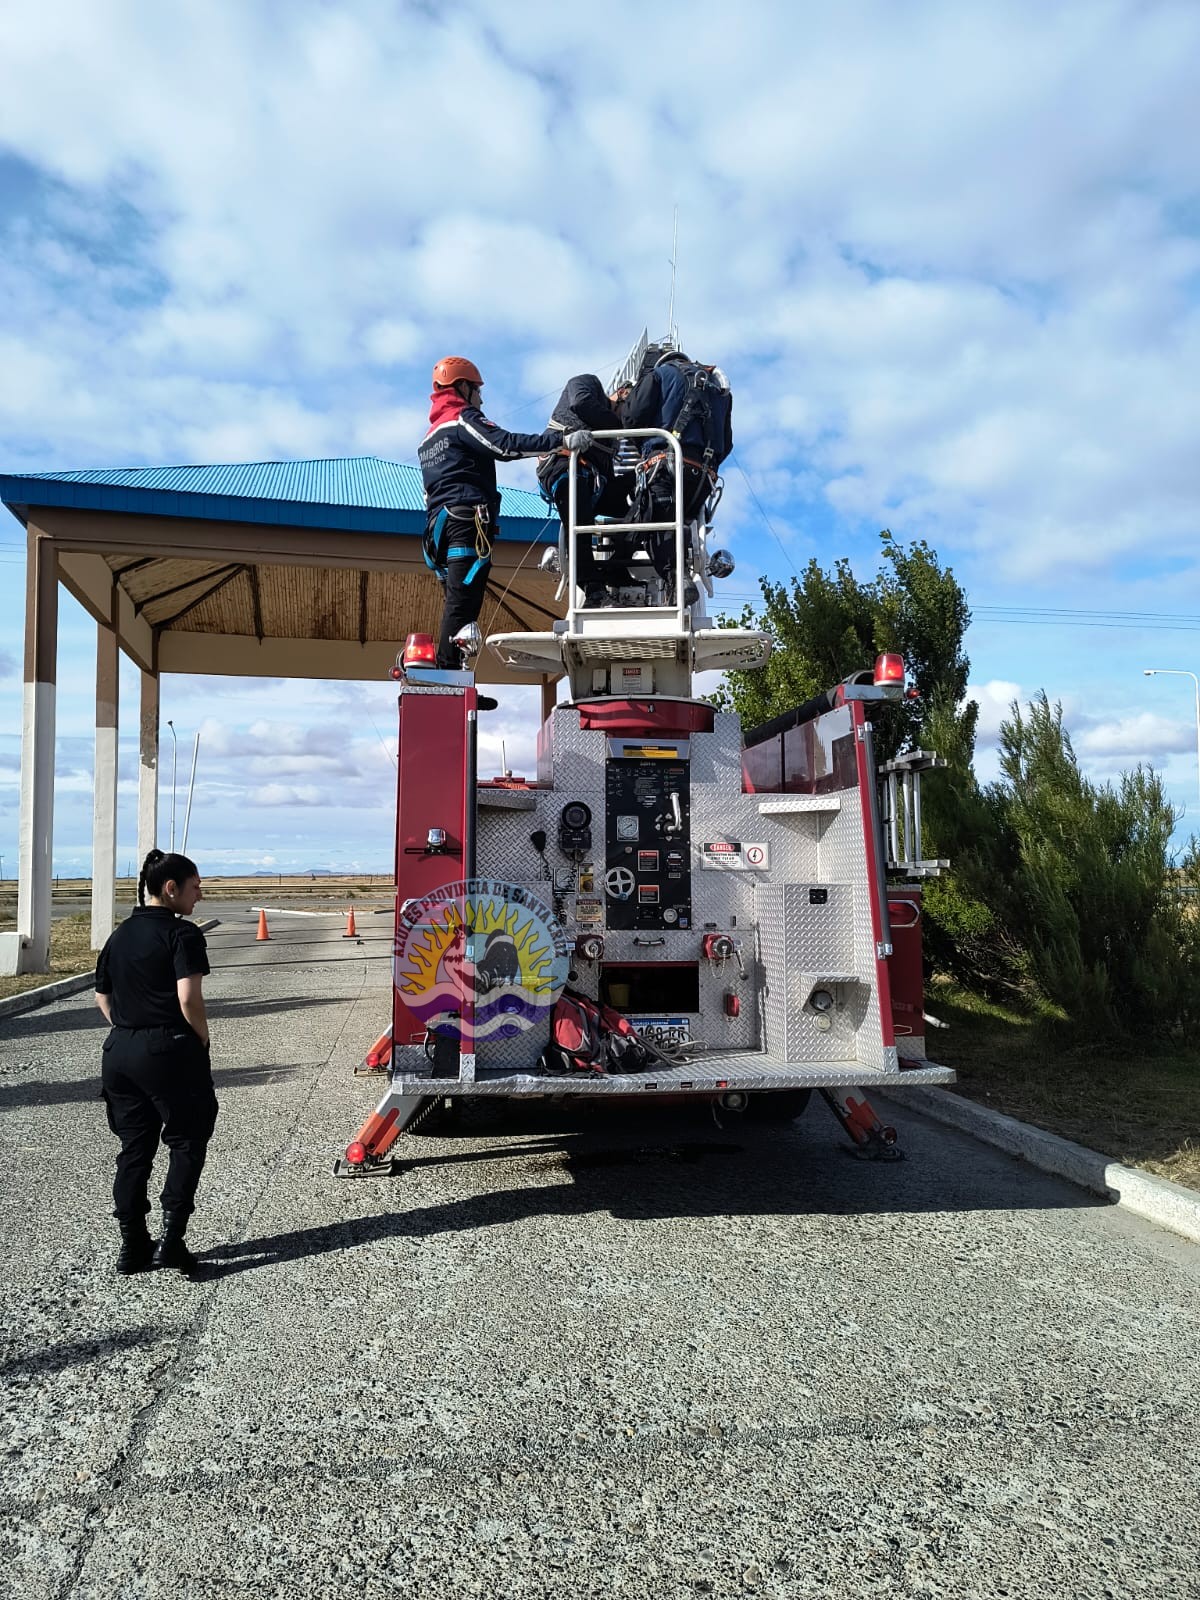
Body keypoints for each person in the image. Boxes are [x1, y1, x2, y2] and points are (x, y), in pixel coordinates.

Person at [418, 356, 592, 666]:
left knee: (458, 601)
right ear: (462, 387)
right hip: (464, 521)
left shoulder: (429, 438)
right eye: (477, 390)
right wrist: (559, 441)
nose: (481, 398)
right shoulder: (461, 419)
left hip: (437, 527)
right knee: (463, 602)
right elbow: (505, 446)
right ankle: (447, 677)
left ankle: (455, 674)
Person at [95, 849, 217, 1277]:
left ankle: (132, 1246)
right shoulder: (183, 935)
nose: (200, 894)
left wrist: (131, 1028)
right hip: (170, 1050)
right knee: (186, 1140)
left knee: (134, 1149)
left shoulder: (119, 935)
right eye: (195, 886)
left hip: (119, 1053)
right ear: (171, 889)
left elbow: (102, 997)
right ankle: (172, 1241)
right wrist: (200, 1037)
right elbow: (188, 998)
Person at [623, 348, 734, 592]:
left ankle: (678, 579)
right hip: (703, 478)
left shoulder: (659, 376)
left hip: (664, 468)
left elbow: (631, 419)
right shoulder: (718, 388)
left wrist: (643, 447)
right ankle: (680, 576)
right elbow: (726, 444)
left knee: (654, 524)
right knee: (680, 522)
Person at [536, 374, 632, 606]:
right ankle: (591, 586)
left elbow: (610, 480)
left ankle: (616, 565)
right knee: (578, 516)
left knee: (639, 497)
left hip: (593, 482)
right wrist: (622, 425)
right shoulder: (588, 383)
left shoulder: (611, 442)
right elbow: (580, 402)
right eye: (629, 407)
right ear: (623, 392)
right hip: (564, 465)